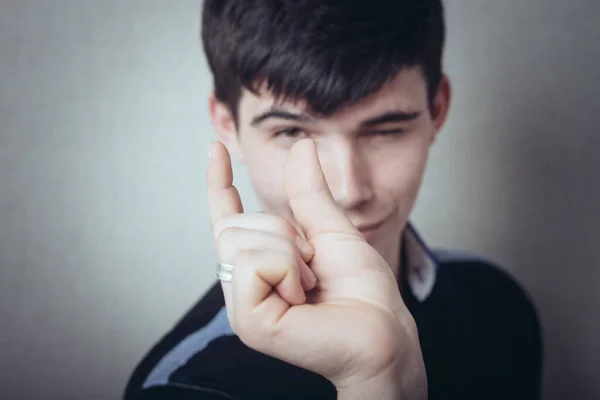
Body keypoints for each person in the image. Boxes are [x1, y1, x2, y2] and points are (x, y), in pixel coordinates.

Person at [124, 0, 543, 399]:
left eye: (387, 130)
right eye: (291, 133)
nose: (347, 191)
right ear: (227, 126)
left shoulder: (499, 306)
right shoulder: (185, 387)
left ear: (437, 110)